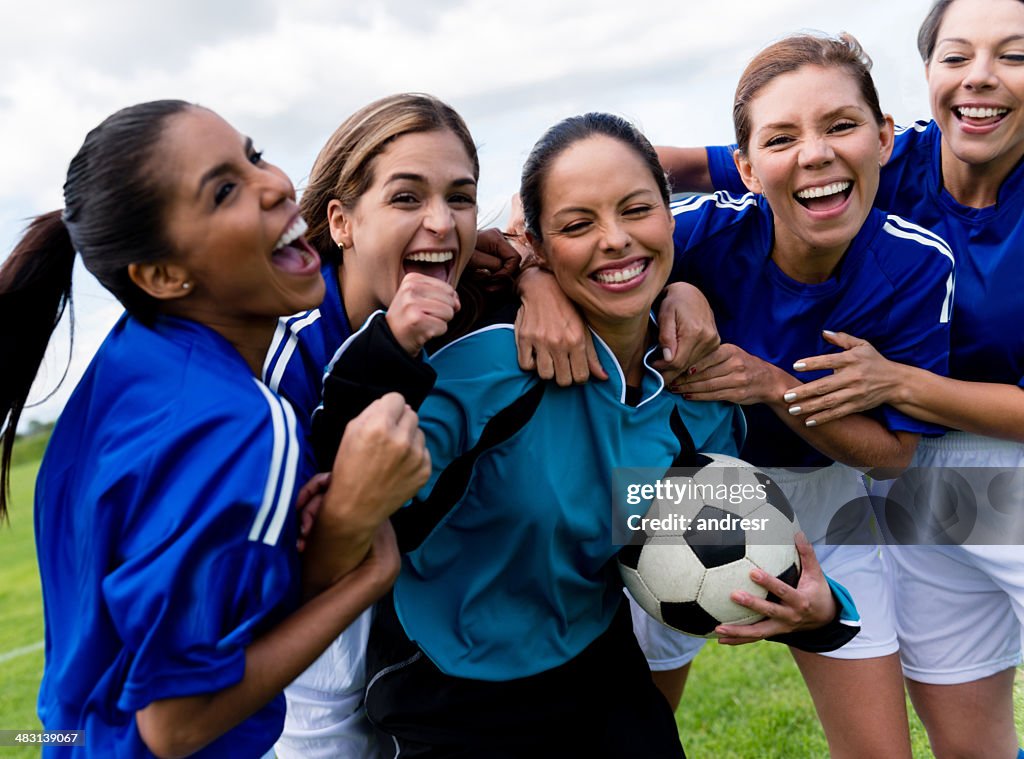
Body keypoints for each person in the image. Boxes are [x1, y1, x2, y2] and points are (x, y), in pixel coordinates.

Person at [313, 111, 863, 757]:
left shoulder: (698, 398)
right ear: (537, 247)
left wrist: (823, 612)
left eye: (637, 210)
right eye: (578, 225)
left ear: (670, 214)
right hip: (447, 690)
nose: (616, 240)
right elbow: (347, 487)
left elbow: (738, 554)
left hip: (600, 674)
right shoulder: (484, 370)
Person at [266, 92, 722, 756]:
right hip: (328, 596)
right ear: (341, 221)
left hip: (487, 621)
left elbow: (587, 257)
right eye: (405, 198)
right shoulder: (292, 355)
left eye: (459, 198)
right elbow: (301, 554)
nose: (441, 224)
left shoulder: (474, 298)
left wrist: (540, 277)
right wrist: (393, 348)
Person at [0, 100, 430, 758]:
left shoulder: (135, 355)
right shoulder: (242, 428)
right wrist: (366, 575)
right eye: (225, 189)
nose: (279, 182)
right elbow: (174, 724)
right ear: (165, 275)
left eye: (253, 155)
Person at [662, 3, 1024, 757]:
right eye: (957, 56)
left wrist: (888, 381)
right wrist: (665, 282)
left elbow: (890, 441)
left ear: (877, 133)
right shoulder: (879, 159)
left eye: (1013, 55)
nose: (980, 77)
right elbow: (633, 185)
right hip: (861, 478)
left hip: (959, 464)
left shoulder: (909, 255)